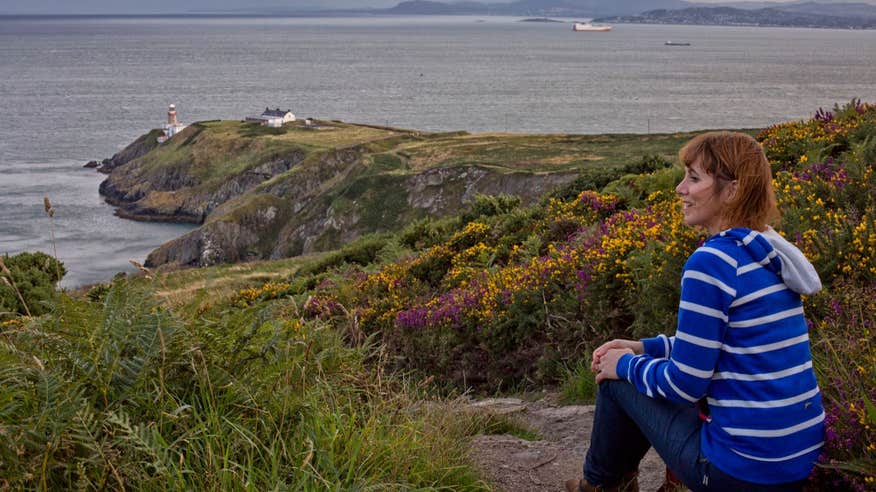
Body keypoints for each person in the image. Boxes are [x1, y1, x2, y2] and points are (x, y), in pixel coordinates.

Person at [565, 131, 825, 492]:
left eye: (694, 177)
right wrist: (644, 348)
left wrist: (622, 365)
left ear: (731, 190)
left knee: (616, 383)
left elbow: (685, 384)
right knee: (631, 366)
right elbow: (722, 342)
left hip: (739, 474)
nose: (680, 189)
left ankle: (600, 486)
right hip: (797, 461)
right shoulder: (768, 252)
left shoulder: (712, 261)